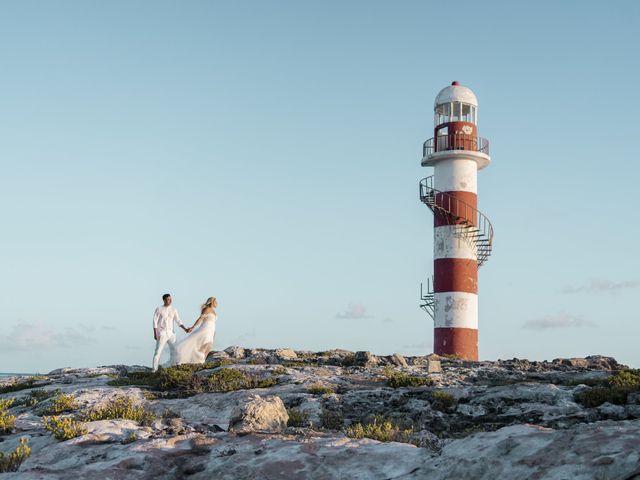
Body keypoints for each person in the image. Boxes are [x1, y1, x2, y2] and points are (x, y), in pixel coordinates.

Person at [168, 296, 218, 366]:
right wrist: (193, 327)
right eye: (215, 302)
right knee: (203, 344)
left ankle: (201, 360)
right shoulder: (206, 309)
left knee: (209, 346)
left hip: (211, 330)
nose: (217, 303)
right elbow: (200, 319)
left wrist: (214, 333)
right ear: (212, 302)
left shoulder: (213, 311)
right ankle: (198, 360)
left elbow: (213, 322)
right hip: (205, 329)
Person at [152, 293, 189, 371]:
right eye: (168, 299)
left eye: (171, 299)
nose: (170, 300)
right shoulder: (159, 309)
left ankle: (174, 367)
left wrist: (185, 329)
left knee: (175, 351)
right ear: (164, 300)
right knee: (158, 351)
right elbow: (154, 321)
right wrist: (155, 333)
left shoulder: (174, 309)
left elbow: (178, 321)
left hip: (171, 333)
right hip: (162, 333)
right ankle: (154, 370)